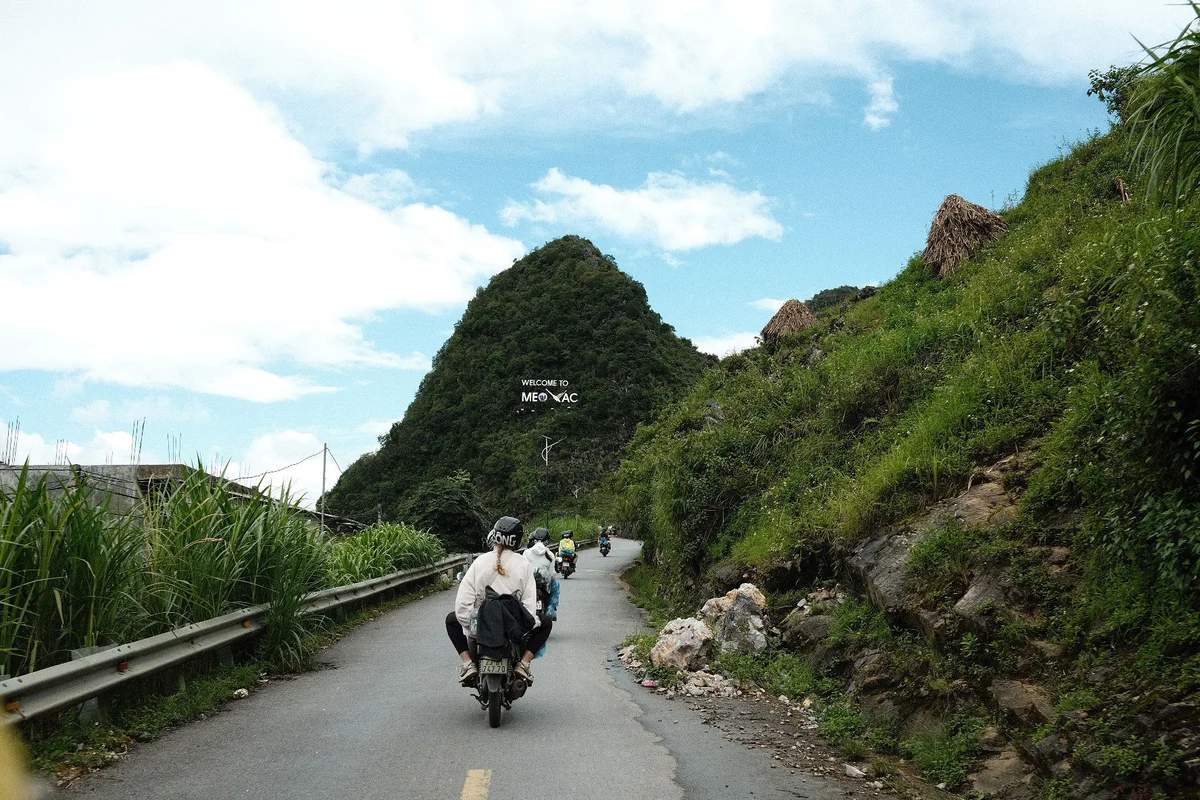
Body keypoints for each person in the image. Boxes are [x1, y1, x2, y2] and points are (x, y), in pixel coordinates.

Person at [445, 516, 552, 686]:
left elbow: (462, 605)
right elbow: (529, 608)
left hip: (481, 625)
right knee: (546, 622)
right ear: (517, 540)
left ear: (495, 536)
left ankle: (468, 664)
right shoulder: (524, 564)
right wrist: (522, 628)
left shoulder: (479, 562)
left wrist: (472, 628)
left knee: (451, 620)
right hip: (512, 628)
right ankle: (524, 664)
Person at [524, 528, 560, 621]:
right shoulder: (550, 554)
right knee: (555, 585)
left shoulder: (527, 552)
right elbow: (552, 574)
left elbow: (523, 569)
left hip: (529, 582)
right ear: (547, 541)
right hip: (544, 583)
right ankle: (551, 609)